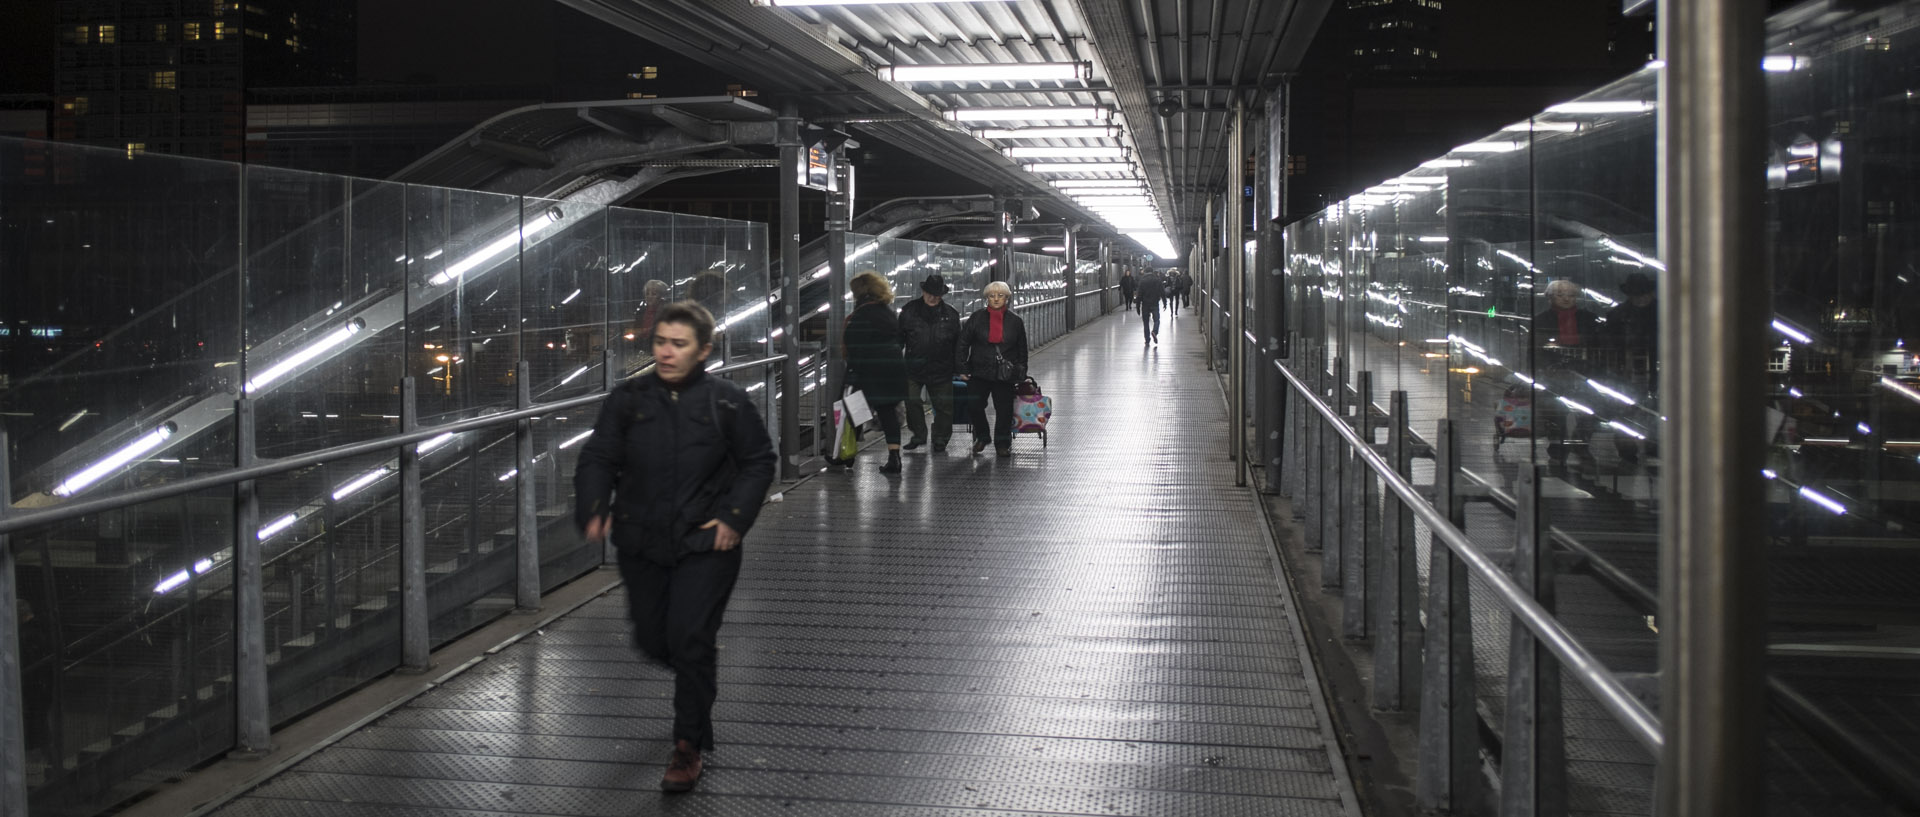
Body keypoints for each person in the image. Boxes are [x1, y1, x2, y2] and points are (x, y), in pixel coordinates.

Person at [575, 300, 777, 793]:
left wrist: (733, 518)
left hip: (706, 543)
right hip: (641, 540)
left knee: (689, 638)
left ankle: (687, 746)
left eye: (678, 344)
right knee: (652, 639)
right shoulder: (628, 399)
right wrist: (593, 506)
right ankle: (696, 677)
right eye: (660, 342)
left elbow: (758, 461)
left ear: (703, 350)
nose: (665, 352)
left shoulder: (726, 401)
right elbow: (599, 456)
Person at [843, 271, 910, 473]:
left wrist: (853, 369)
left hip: (870, 369)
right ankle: (894, 457)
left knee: (853, 409)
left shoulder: (862, 313)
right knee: (887, 412)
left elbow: (854, 344)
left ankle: (847, 454)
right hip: (893, 367)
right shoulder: (887, 311)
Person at [956, 280, 1029, 457]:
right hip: (979, 371)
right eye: (992, 296)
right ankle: (982, 436)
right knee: (974, 406)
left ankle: (1002, 444)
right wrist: (963, 368)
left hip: (1004, 374)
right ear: (986, 298)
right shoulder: (976, 318)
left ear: (1007, 298)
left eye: (1000, 296)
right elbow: (962, 344)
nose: (996, 299)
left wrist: (1020, 371)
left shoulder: (1015, 322)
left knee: (1004, 410)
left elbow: (1022, 349)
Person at [897, 273, 961, 453]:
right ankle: (919, 434)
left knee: (944, 407)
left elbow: (958, 344)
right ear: (923, 292)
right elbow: (898, 339)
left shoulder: (951, 314)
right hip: (913, 367)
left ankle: (940, 438)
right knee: (911, 400)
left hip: (942, 367)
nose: (933, 298)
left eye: (937, 295)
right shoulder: (909, 311)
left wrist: (960, 368)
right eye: (930, 293)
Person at [1135, 269, 1166, 343]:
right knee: (1156, 320)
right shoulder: (1157, 280)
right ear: (1152, 272)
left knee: (1146, 322)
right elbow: (1162, 292)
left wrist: (1138, 307)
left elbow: (1139, 295)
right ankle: (1154, 331)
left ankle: (1147, 339)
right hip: (1155, 303)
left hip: (1145, 304)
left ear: (1145, 272)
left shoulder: (1142, 281)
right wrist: (1165, 303)